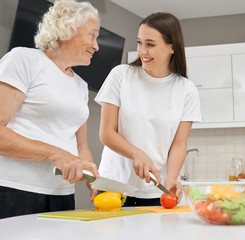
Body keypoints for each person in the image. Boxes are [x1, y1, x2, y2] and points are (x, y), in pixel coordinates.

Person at [0, 0, 100, 219]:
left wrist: (92, 178)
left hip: (62, 195)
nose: (96, 46)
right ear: (69, 29)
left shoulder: (81, 86)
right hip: (15, 190)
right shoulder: (24, 60)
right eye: (92, 35)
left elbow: (81, 144)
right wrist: (55, 153)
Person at [94, 12, 201, 206]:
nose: (142, 51)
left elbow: (179, 143)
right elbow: (106, 133)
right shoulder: (121, 75)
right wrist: (137, 153)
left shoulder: (186, 90)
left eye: (150, 44)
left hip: (155, 190)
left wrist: (171, 178)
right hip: (115, 185)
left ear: (172, 47)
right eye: (139, 42)